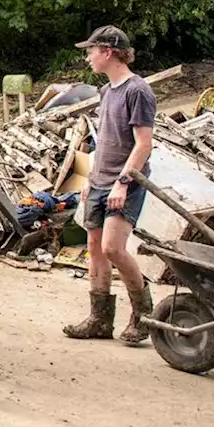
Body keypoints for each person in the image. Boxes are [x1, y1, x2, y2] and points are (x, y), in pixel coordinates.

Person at [63, 25, 156, 346]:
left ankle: (145, 316)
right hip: (100, 182)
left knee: (113, 248)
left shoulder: (137, 91)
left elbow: (143, 144)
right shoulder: (106, 92)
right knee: (94, 249)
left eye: (90, 51)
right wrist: (90, 178)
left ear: (107, 51)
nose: (87, 57)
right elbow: (104, 141)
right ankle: (100, 319)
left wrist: (121, 183)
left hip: (125, 183)